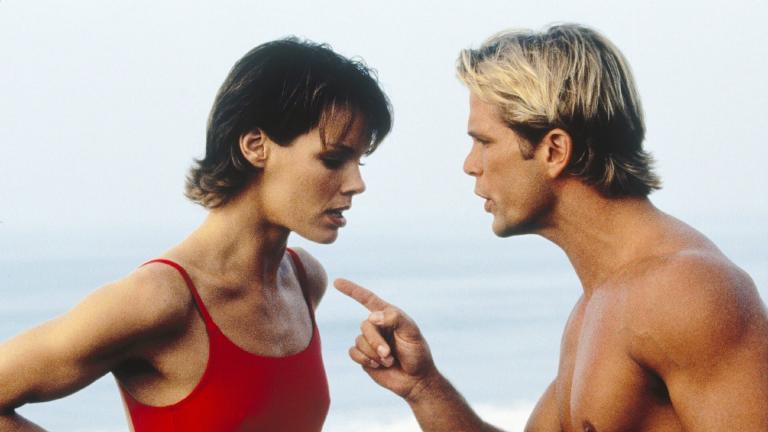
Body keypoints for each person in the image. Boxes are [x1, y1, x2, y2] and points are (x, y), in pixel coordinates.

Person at [336, 24, 768, 431]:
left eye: (484, 141)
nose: (470, 165)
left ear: (555, 150)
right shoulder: (598, 305)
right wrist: (424, 387)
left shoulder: (686, 292)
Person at [0, 38, 392, 431]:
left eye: (359, 162)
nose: (356, 184)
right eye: (333, 159)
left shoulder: (305, 280)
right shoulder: (158, 299)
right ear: (256, 146)